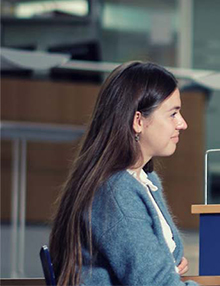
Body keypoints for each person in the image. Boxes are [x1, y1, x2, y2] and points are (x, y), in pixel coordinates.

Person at [49, 61, 196, 286]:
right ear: (138, 121)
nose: (182, 123)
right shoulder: (117, 192)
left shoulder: (141, 181)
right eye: (173, 114)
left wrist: (166, 264)